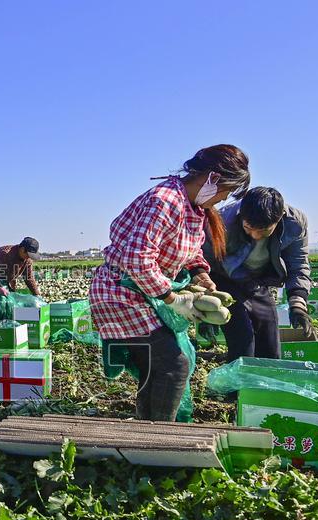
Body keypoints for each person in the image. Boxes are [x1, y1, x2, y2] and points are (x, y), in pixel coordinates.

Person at [89, 144, 250, 421]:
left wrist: (200, 273)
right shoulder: (165, 201)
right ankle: (159, 437)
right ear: (212, 178)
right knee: (174, 365)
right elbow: (137, 258)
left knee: (157, 368)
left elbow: (192, 250)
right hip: (122, 293)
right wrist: (172, 299)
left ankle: (147, 431)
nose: (223, 200)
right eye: (225, 191)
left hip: (144, 292)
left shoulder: (194, 208)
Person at [201, 187, 312, 362]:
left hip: (257, 282)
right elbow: (204, 263)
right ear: (241, 217)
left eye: (264, 231)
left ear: (279, 218)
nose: (255, 236)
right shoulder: (221, 221)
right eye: (248, 228)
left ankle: (266, 387)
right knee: (242, 339)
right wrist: (206, 308)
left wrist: (298, 304)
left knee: (269, 341)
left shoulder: (295, 224)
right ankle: (238, 389)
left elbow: (298, 265)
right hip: (223, 280)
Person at [0, 237, 42, 323]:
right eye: (28, 254)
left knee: (7, 303)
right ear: (22, 249)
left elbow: (29, 278)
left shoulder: (27, 260)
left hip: (3, 278)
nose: (29, 257)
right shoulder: (6, 254)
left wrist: (37, 294)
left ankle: (3, 326)